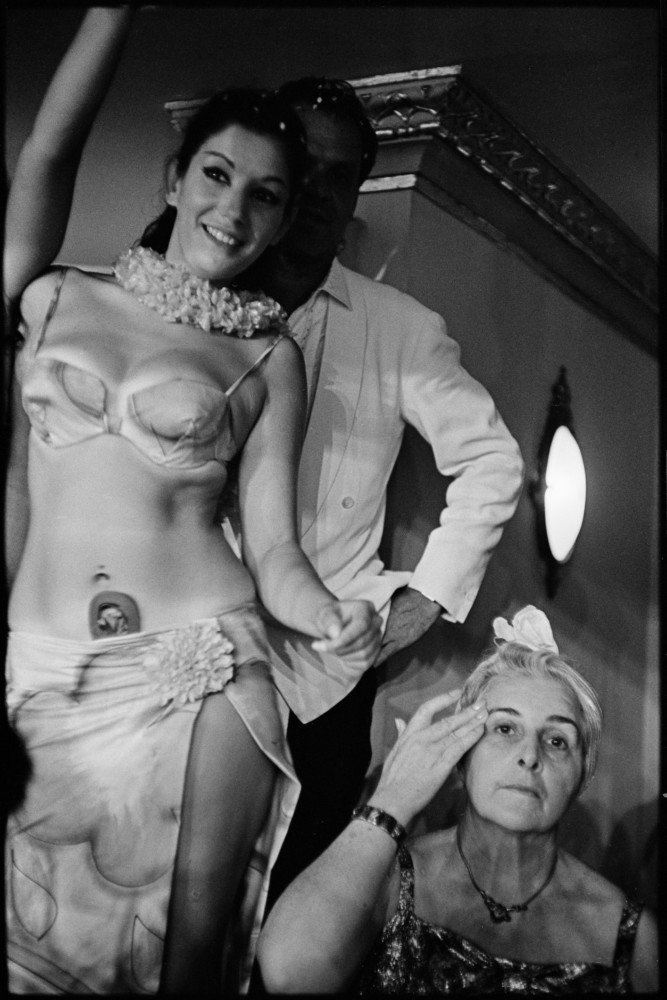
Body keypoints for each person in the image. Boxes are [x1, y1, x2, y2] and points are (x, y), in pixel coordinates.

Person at [3, 11, 381, 995]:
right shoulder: (50, 295)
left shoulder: (268, 356)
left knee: (189, 954)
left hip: (201, 667)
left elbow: (276, 550)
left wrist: (327, 613)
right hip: (42, 668)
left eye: (267, 195)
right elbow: (47, 152)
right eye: (216, 174)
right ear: (174, 179)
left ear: (284, 219)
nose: (233, 208)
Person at [236, 77, 525, 906]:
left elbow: (492, 459)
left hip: (323, 675)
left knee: (296, 904)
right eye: (304, 167)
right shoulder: (198, 299)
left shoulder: (398, 327)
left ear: (358, 191)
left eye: (341, 176)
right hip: (197, 645)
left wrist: (424, 600)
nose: (319, 191)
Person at [257, 606, 659, 994]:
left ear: (583, 774)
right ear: (462, 756)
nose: (530, 756)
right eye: (505, 728)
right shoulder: (388, 879)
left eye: (557, 741)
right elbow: (288, 975)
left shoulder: (629, 936)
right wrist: (391, 802)